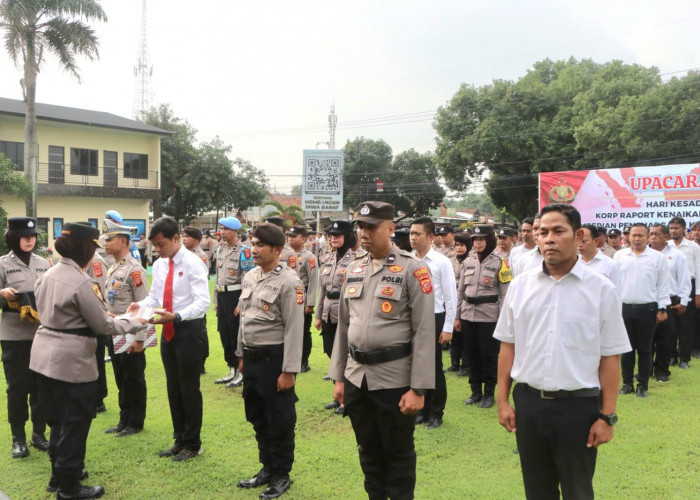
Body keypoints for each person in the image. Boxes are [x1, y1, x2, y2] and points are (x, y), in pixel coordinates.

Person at [494, 203, 631, 500]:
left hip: (578, 409)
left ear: (579, 235)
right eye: (542, 232)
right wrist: (503, 400)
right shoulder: (520, 287)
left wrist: (607, 416)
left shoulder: (601, 289)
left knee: (578, 491)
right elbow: (508, 346)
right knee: (537, 491)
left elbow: (610, 357)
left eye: (558, 231)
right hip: (529, 405)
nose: (548, 239)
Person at [29, 222, 147, 499]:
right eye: (93, 248)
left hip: (44, 356)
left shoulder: (49, 273)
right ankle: (69, 488)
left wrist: (116, 318)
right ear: (83, 247)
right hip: (71, 362)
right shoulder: (81, 281)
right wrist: (136, 321)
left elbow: (76, 315)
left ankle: (58, 477)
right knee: (75, 424)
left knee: (57, 421)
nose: (95, 254)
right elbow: (103, 325)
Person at [329, 201, 435, 500]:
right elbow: (343, 326)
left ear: (390, 228)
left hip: (394, 380)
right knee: (368, 449)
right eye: (360, 226)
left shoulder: (413, 269)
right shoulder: (354, 268)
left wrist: (419, 388)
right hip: (356, 378)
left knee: (398, 452)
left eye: (371, 226)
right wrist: (338, 377)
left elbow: (425, 331)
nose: (364, 232)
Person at [130, 216, 211, 462]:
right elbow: (154, 297)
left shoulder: (194, 263)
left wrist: (176, 316)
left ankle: (193, 443)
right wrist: (138, 306)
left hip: (188, 330)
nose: (157, 249)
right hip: (169, 330)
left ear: (176, 239)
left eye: (161, 244)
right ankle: (179, 440)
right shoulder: (162, 264)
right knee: (173, 387)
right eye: (154, 245)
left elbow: (203, 302)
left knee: (189, 388)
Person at [235, 223, 304, 499]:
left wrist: (289, 370)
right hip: (251, 360)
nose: (254, 250)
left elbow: (294, 329)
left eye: (260, 245)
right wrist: (240, 354)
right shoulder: (250, 276)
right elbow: (244, 318)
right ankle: (266, 468)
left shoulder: (290, 282)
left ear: (277, 249)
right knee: (258, 417)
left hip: (274, 361)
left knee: (279, 419)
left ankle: (281, 475)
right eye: (252, 244)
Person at [1, 217, 50, 459]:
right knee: (17, 389)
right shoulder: (2, 265)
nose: (30, 239)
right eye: (24, 236)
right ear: (13, 238)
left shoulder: (44, 264)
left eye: (32, 236)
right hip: (14, 336)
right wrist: (2, 295)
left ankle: (38, 434)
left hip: (42, 334)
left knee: (41, 386)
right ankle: (18, 438)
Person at [102, 219, 150, 438]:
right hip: (115, 332)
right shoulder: (113, 267)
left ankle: (136, 421)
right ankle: (124, 419)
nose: (105, 242)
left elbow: (143, 306)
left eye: (109, 239)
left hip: (131, 334)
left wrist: (141, 339)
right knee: (121, 377)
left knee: (134, 378)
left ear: (122, 241)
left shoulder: (135, 270)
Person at [455, 225, 512, 409]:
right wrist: (457, 316)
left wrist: (502, 320)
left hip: (489, 317)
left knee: (488, 356)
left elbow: (505, 294)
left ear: (489, 240)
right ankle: (475, 391)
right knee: (471, 355)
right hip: (467, 315)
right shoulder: (467, 262)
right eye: (475, 240)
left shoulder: (501, 263)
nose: (478, 243)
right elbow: (460, 290)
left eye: (481, 239)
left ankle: (488, 394)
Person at [613, 223, 672, 398]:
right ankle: (627, 383)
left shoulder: (657, 258)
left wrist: (662, 307)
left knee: (645, 349)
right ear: (628, 237)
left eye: (641, 236)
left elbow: (663, 285)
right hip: (624, 309)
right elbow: (613, 285)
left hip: (648, 309)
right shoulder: (619, 256)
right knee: (626, 349)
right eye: (634, 235)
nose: (637, 239)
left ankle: (643, 386)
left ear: (647, 237)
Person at [409, 216, 457, 429]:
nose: (412, 238)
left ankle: (436, 413)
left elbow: (450, 297)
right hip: (413, 319)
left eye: (417, 234)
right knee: (416, 367)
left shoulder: (441, 262)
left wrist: (447, 327)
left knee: (434, 368)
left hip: (434, 318)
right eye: (411, 233)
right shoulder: (408, 260)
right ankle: (423, 410)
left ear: (430, 237)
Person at [314, 220, 361, 414]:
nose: (334, 238)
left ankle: (347, 399)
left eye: (338, 235)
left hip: (347, 315)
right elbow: (322, 290)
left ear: (348, 237)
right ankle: (338, 392)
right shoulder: (328, 258)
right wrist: (318, 315)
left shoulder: (356, 260)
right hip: (328, 314)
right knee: (330, 352)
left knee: (346, 356)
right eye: (332, 235)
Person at [213, 217, 254, 388]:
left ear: (235, 231)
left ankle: (241, 371)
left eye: (225, 229)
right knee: (224, 332)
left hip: (236, 296)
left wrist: (241, 302)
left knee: (236, 333)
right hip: (222, 297)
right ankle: (231, 368)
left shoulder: (244, 251)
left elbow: (247, 279)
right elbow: (218, 275)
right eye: (221, 229)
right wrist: (216, 299)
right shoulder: (220, 249)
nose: (222, 232)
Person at [648, 223, 690, 382]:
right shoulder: (645, 255)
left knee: (665, 338)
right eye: (650, 234)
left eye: (656, 234)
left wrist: (684, 301)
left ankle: (662, 371)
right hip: (648, 300)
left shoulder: (677, 255)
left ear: (666, 237)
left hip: (669, 300)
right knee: (647, 339)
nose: (652, 237)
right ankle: (647, 369)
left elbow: (684, 280)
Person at [285, 226, 319, 373]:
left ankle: (304, 361)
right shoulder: (286, 255)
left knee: (303, 331)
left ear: (304, 239)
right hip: (289, 294)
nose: (290, 238)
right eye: (289, 236)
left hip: (302, 294)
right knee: (288, 329)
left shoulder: (309, 257)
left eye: (294, 236)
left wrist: (310, 304)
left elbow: (313, 282)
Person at [667, 216, 700, 362]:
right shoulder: (666, 246)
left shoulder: (693, 247)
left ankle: (684, 358)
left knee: (686, 324)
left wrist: (698, 293)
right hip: (670, 288)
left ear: (683, 229)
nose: (673, 231)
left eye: (676, 228)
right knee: (670, 325)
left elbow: (699, 270)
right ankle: (672, 355)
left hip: (690, 287)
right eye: (671, 228)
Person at [182, 226, 211, 373]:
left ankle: (201, 362)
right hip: (184, 301)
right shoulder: (180, 255)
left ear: (197, 239)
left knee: (199, 333)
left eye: (187, 236)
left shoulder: (201, 257)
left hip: (196, 300)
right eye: (183, 236)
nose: (184, 239)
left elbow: (201, 280)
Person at [85, 249, 109, 414]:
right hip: (85, 318)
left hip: (95, 319)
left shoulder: (96, 261)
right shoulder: (83, 258)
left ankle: (98, 399)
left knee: (96, 359)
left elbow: (98, 292)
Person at [447, 231, 471, 375]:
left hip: (466, 301)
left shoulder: (472, 261)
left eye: (462, 245)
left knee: (465, 336)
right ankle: (454, 363)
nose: (459, 248)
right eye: (457, 245)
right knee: (454, 334)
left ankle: (465, 365)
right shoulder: (450, 261)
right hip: (452, 299)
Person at [578, 224, 622, 291]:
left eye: (584, 241)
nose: (580, 245)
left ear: (596, 241)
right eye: (577, 241)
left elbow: (616, 294)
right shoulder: (571, 264)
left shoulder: (611, 265)